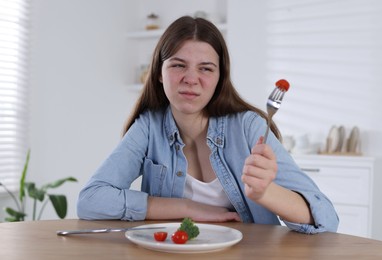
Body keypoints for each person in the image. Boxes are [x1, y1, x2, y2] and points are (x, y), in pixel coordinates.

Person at [77, 16, 339, 234]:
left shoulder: (249, 128)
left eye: (205, 69)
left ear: (219, 78)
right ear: (159, 72)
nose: (191, 79)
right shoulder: (148, 128)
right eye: (179, 65)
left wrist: (265, 193)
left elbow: (326, 218)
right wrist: (188, 208)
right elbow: (91, 201)